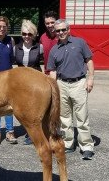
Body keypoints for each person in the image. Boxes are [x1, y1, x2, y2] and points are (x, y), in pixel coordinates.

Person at [47, 19, 95, 160]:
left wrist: (90, 79)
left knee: (82, 117)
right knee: (64, 118)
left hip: (79, 83)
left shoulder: (80, 43)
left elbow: (89, 60)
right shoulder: (54, 50)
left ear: (68, 30)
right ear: (55, 32)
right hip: (62, 84)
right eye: (58, 30)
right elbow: (52, 71)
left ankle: (86, 146)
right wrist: (53, 89)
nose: (61, 32)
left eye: (63, 30)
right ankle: (68, 144)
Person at [14, 19, 43, 145]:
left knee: (36, 109)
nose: (27, 36)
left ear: (34, 34)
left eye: (30, 34)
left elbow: (46, 65)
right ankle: (29, 131)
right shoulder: (16, 48)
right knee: (23, 110)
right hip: (21, 83)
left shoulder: (39, 47)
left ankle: (35, 134)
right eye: (24, 34)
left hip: (35, 81)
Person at [0, 16, 17, 145]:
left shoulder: (10, 40)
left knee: (9, 106)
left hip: (8, 77)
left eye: (4, 26)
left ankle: (10, 131)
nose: (2, 29)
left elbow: (12, 58)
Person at [39, 11, 58, 75]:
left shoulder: (62, 36)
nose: (50, 25)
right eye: (47, 23)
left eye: (52, 22)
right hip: (48, 73)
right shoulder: (43, 37)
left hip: (61, 73)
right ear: (44, 24)